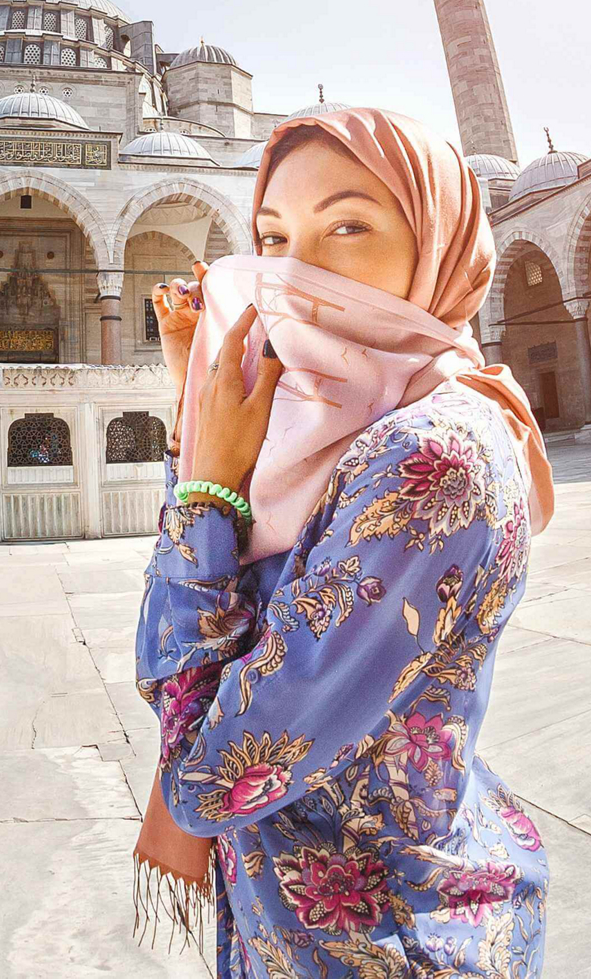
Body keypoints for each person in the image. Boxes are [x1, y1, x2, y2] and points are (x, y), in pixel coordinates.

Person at [132, 107, 556, 977]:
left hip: (385, 943)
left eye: (349, 227)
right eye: (272, 236)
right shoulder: (365, 421)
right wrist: (197, 422)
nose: (293, 273)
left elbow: (212, 773)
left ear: (434, 244)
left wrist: (207, 489)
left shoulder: (432, 453)